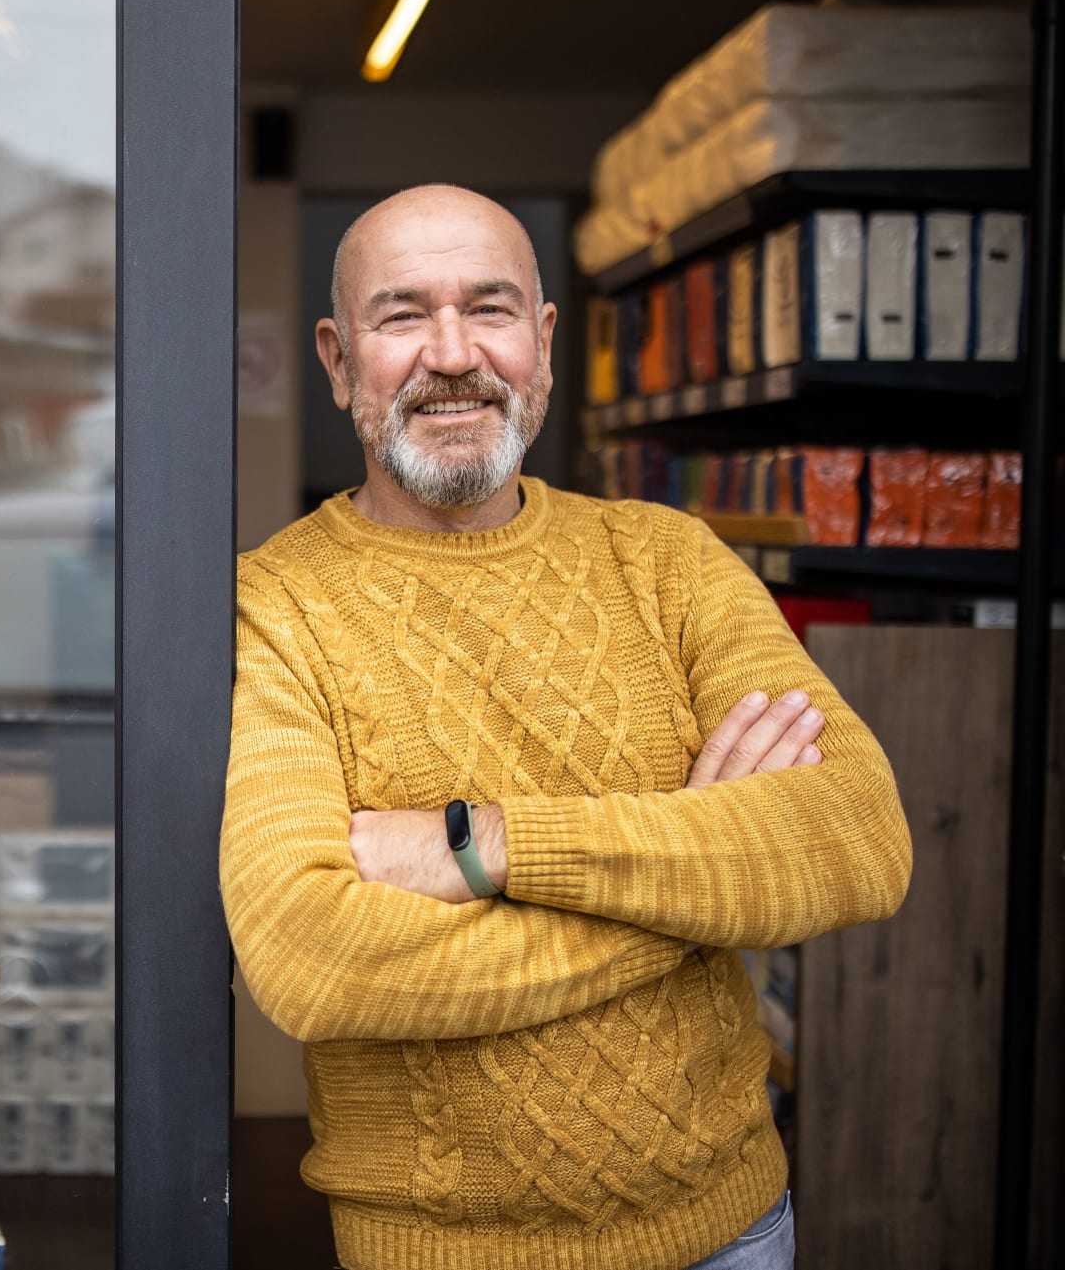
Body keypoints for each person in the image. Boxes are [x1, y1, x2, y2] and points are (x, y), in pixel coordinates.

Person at [219, 184, 912, 1270]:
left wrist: (481, 845)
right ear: (340, 358)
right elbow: (314, 958)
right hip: (443, 1254)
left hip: (734, 1230)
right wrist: (697, 875)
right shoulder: (273, 605)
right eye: (402, 316)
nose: (453, 353)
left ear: (541, 344)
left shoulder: (669, 561)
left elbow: (859, 839)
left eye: (489, 309)